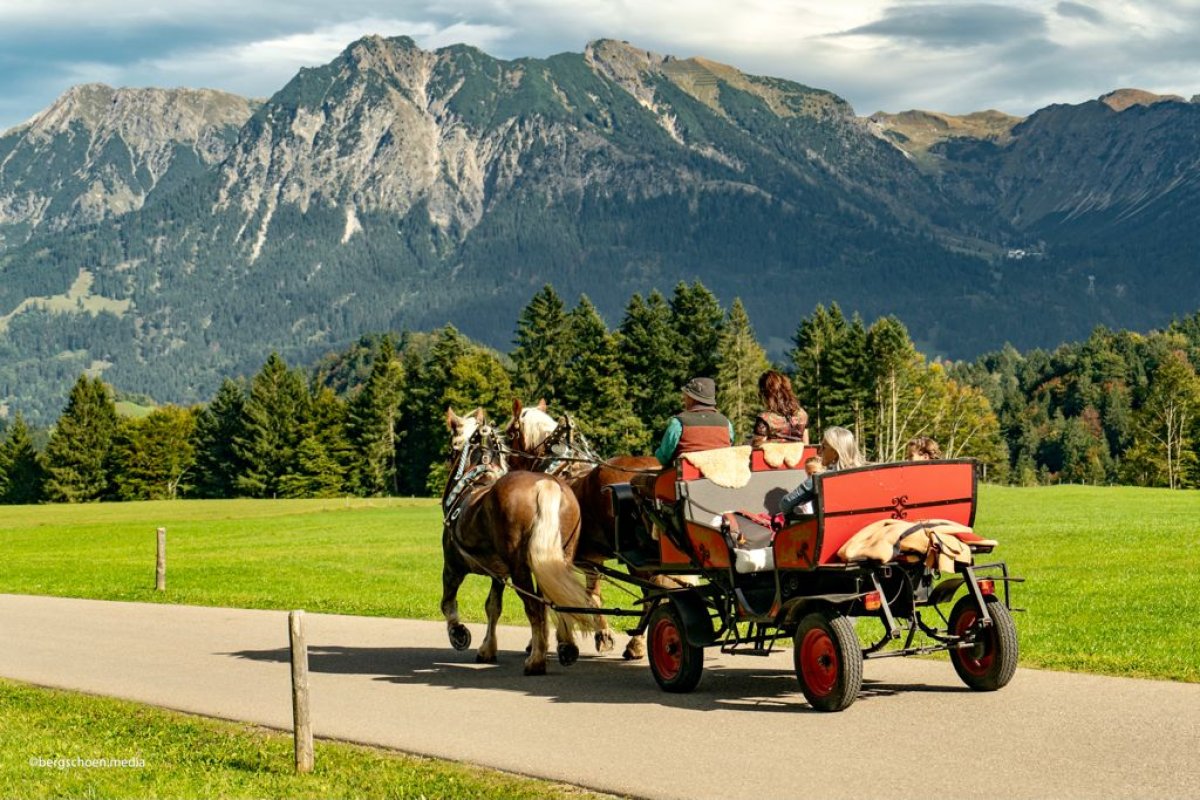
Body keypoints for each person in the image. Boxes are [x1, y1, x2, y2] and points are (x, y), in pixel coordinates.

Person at [778, 426, 866, 516]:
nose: (819, 451)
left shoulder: (818, 479)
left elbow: (785, 505)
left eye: (824, 447)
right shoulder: (865, 475)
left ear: (835, 452)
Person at [652, 377, 735, 466]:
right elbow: (730, 444)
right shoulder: (726, 423)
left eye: (686, 396)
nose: (684, 399)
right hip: (720, 475)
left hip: (684, 477)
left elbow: (663, 458)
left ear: (692, 399)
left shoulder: (678, 423)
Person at [751, 370, 809, 445]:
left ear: (767, 395)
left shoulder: (765, 419)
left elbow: (757, 448)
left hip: (774, 456)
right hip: (797, 456)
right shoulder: (802, 414)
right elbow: (806, 445)